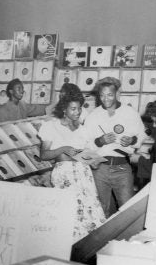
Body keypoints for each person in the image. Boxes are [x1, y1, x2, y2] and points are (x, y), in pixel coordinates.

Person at [38, 92, 106, 240]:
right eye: (73, 109)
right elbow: (43, 155)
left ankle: (86, 246)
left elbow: (87, 153)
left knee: (89, 212)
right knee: (68, 213)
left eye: (79, 108)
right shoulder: (51, 126)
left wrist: (94, 161)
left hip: (84, 174)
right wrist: (62, 149)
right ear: (64, 109)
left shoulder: (83, 129)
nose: (77, 112)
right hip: (65, 174)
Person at [84, 77, 146, 217]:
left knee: (127, 209)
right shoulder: (93, 116)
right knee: (99, 210)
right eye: (102, 95)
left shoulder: (130, 113)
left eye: (110, 95)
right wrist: (100, 141)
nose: (105, 99)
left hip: (122, 168)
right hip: (100, 168)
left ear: (118, 94)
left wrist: (131, 140)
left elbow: (140, 136)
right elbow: (85, 144)